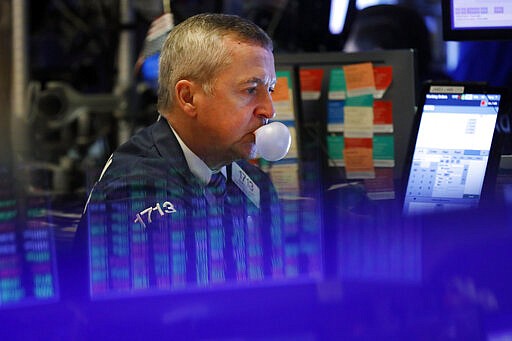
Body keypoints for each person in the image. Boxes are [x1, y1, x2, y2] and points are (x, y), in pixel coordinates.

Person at [74, 13, 285, 293]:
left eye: (269, 89)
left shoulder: (255, 187)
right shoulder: (138, 187)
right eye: (250, 90)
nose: (269, 110)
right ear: (188, 98)